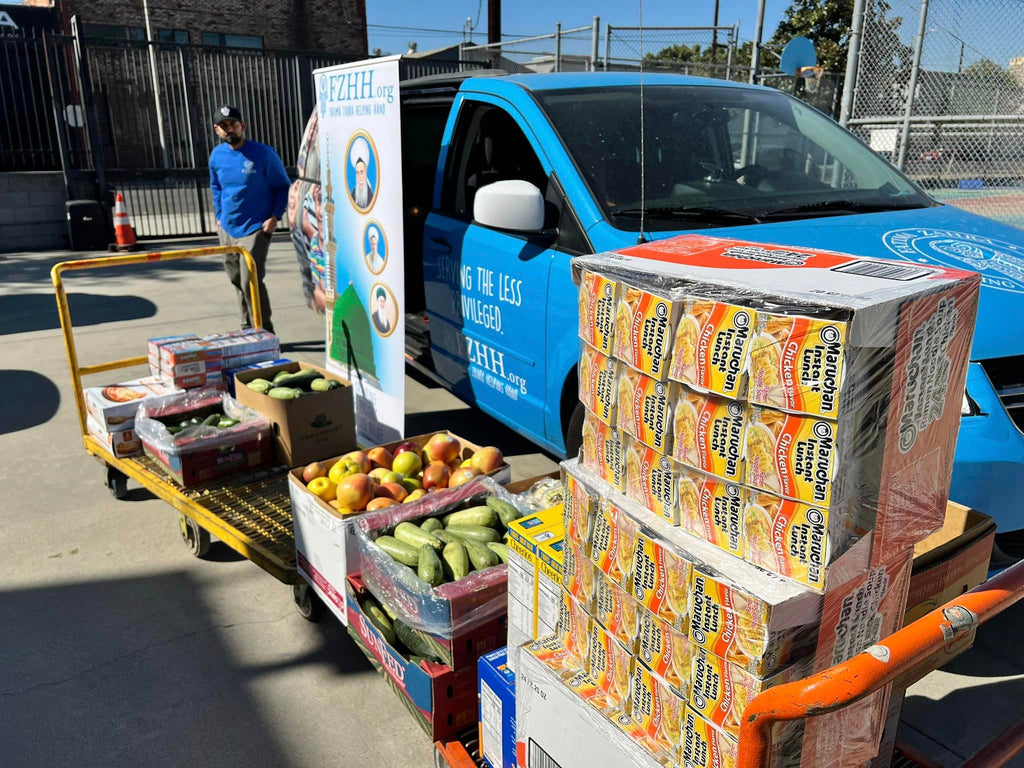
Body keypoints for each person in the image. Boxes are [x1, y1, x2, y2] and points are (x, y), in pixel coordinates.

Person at [209, 105, 290, 333]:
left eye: (233, 124)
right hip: (228, 227)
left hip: (255, 228)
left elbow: (282, 186)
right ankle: (247, 327)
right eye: (224, 126)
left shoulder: (263, 154)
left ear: (242, 126)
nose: (229, 129)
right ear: (217, 130)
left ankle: (264, 332)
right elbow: (216, 187)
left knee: (250, 281)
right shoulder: (217, 156)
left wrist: (274, 217)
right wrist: (219, 216)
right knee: (236, 279)